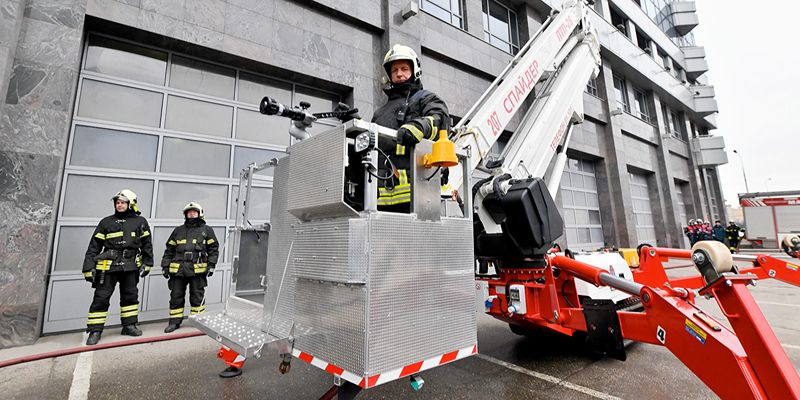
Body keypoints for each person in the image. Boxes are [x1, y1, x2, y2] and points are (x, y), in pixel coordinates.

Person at [371, 44, 449, 212]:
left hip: (418, 199)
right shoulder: (380, 112)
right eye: (394, 70)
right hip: (380, 201)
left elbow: (440, 119)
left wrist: (420, 126)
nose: (399, 74)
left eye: (404, 68)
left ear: (415, 71)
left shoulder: (425, 98)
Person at [82, 189, 153, 345]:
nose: (119, 205)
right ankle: (95, 331)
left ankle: (129, 326)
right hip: (108, 266)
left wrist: (148, 263)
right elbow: (94, 246)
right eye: (118, 202)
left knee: (130, 296)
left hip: (130, 266)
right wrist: (88, 267)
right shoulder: (105, 222)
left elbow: (147, 245)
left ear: (131, 204)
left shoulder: (140, 222)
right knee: (101, 297)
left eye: (123, 202)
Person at [161, 202, 219, 334]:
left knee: (197, 296)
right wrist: (165, 265)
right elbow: (169, 250)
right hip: (178, 270)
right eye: (189, 212)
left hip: (197, 270)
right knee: (176, 296)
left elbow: (213, 249)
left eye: (194, 212)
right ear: (186, 214)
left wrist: (211, 265)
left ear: (200, 213)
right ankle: (174, 322)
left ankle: (198, 320)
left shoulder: (207, 230)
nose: (192, 214)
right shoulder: (178, 230)